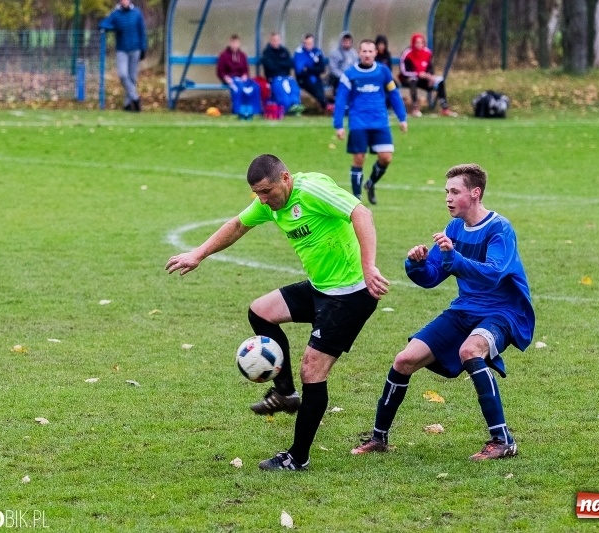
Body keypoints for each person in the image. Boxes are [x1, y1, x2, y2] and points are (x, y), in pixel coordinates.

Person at [165, 154, 390, 471]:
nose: (263, 200)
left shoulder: (312, 190)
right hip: (320, 288)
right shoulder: (270, 201)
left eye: (267, 192)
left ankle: (298, 457)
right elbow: (238, 225)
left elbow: (361, 213)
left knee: (313, 370)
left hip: (351, 294)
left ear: (285, 178)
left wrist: (369, 268)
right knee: (261, 311)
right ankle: (285, 394)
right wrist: (198, 254)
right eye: (257, 193)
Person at [350, 163, 535, 461]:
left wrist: (454, 256)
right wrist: (418, 263)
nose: (448, 198)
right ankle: (379, 438)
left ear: (475, 193)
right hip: (465, 310)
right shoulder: (454, 228)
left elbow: (493, 273)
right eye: (446, 192)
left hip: (503, 312)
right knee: (404, 360)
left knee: (470, 350)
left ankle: (503, 440)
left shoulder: (500, 228)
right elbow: (432, 277)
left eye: (454, 191)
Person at [333, 39, 408, 205]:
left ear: (375, 53)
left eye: (370, 51)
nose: (367, 54)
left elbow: (394, 94)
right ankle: (357, 200)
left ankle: (371, 183)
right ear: (359, 53)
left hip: (380, 122)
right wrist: (338, 125)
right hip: (358, 122)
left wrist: (402, 117)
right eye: (364, 51)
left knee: (386, 157)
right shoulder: (350, 74)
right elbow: (340, 100)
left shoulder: (383, 72)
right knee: (359, 158)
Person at [99, 0, 148, 112]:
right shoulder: (116, 14)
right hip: (122, 49)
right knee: (123, 75)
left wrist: (143, 48)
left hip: (135, 49)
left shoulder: (137, 12)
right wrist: (113, 28)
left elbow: (142, 31)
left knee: (132, 77)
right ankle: (135, 99)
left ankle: (127, 105)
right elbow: (103, 24)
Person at [399, 32, 455, 117]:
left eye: (421, 42)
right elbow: (404, 71)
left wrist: (430, 77)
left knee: (440, 80)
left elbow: (430, 68)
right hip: (408, 78)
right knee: (413, 80)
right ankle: (415, 108)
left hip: (424, 79)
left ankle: (444, 108)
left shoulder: (427, 53)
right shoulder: (407, 54)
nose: (419, 44)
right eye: (417, 42)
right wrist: (418, 74)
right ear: (413, 43)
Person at [216, 34, 261, 119]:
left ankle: (254, 110)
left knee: (256, 87)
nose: (234, 45)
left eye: (236, 43)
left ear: (239, 43)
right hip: (231, 79)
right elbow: (220, 71)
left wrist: (245, 75)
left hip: (242, 79)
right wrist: (225, 78)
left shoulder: (242, 55)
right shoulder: (224, 55)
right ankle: (238, 110)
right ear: (229, 43)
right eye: (233, 43)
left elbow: (246, 70)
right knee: (239, 88)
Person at [261, 32, 303, 114]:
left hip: (286, 76)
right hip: (274, 78)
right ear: (270, 41)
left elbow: (290, 64)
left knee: (294, 88)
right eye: (274, 40)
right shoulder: (267, 52)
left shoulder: (284, 51)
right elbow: (270, 67)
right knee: (282, 91)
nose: (276, 42)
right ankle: (287, 108)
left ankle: (296, 105)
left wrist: (278, 63)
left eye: (277, 40)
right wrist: (282, 64)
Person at [293, 33, 330, 113]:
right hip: (303, 80)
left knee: (320, 90)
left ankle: (326, 107)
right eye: (307, 43)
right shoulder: (299, 52)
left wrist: (309, 69)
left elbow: (322, 68)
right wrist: (314, 70)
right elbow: (300, 71)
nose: (309, 45)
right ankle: (326, 107)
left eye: (311, 43)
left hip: (315, 78)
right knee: (317, 92)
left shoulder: (317, 52)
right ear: (304, 42)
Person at [327, 31, 358, 97]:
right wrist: (343, 76)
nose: (347, 43)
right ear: (341, 41)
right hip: (338, 77)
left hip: (351, 76)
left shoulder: (354, 53)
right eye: (345, 41)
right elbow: (333, 69)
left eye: (349, 42)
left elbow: (356, 66)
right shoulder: (334, 53)